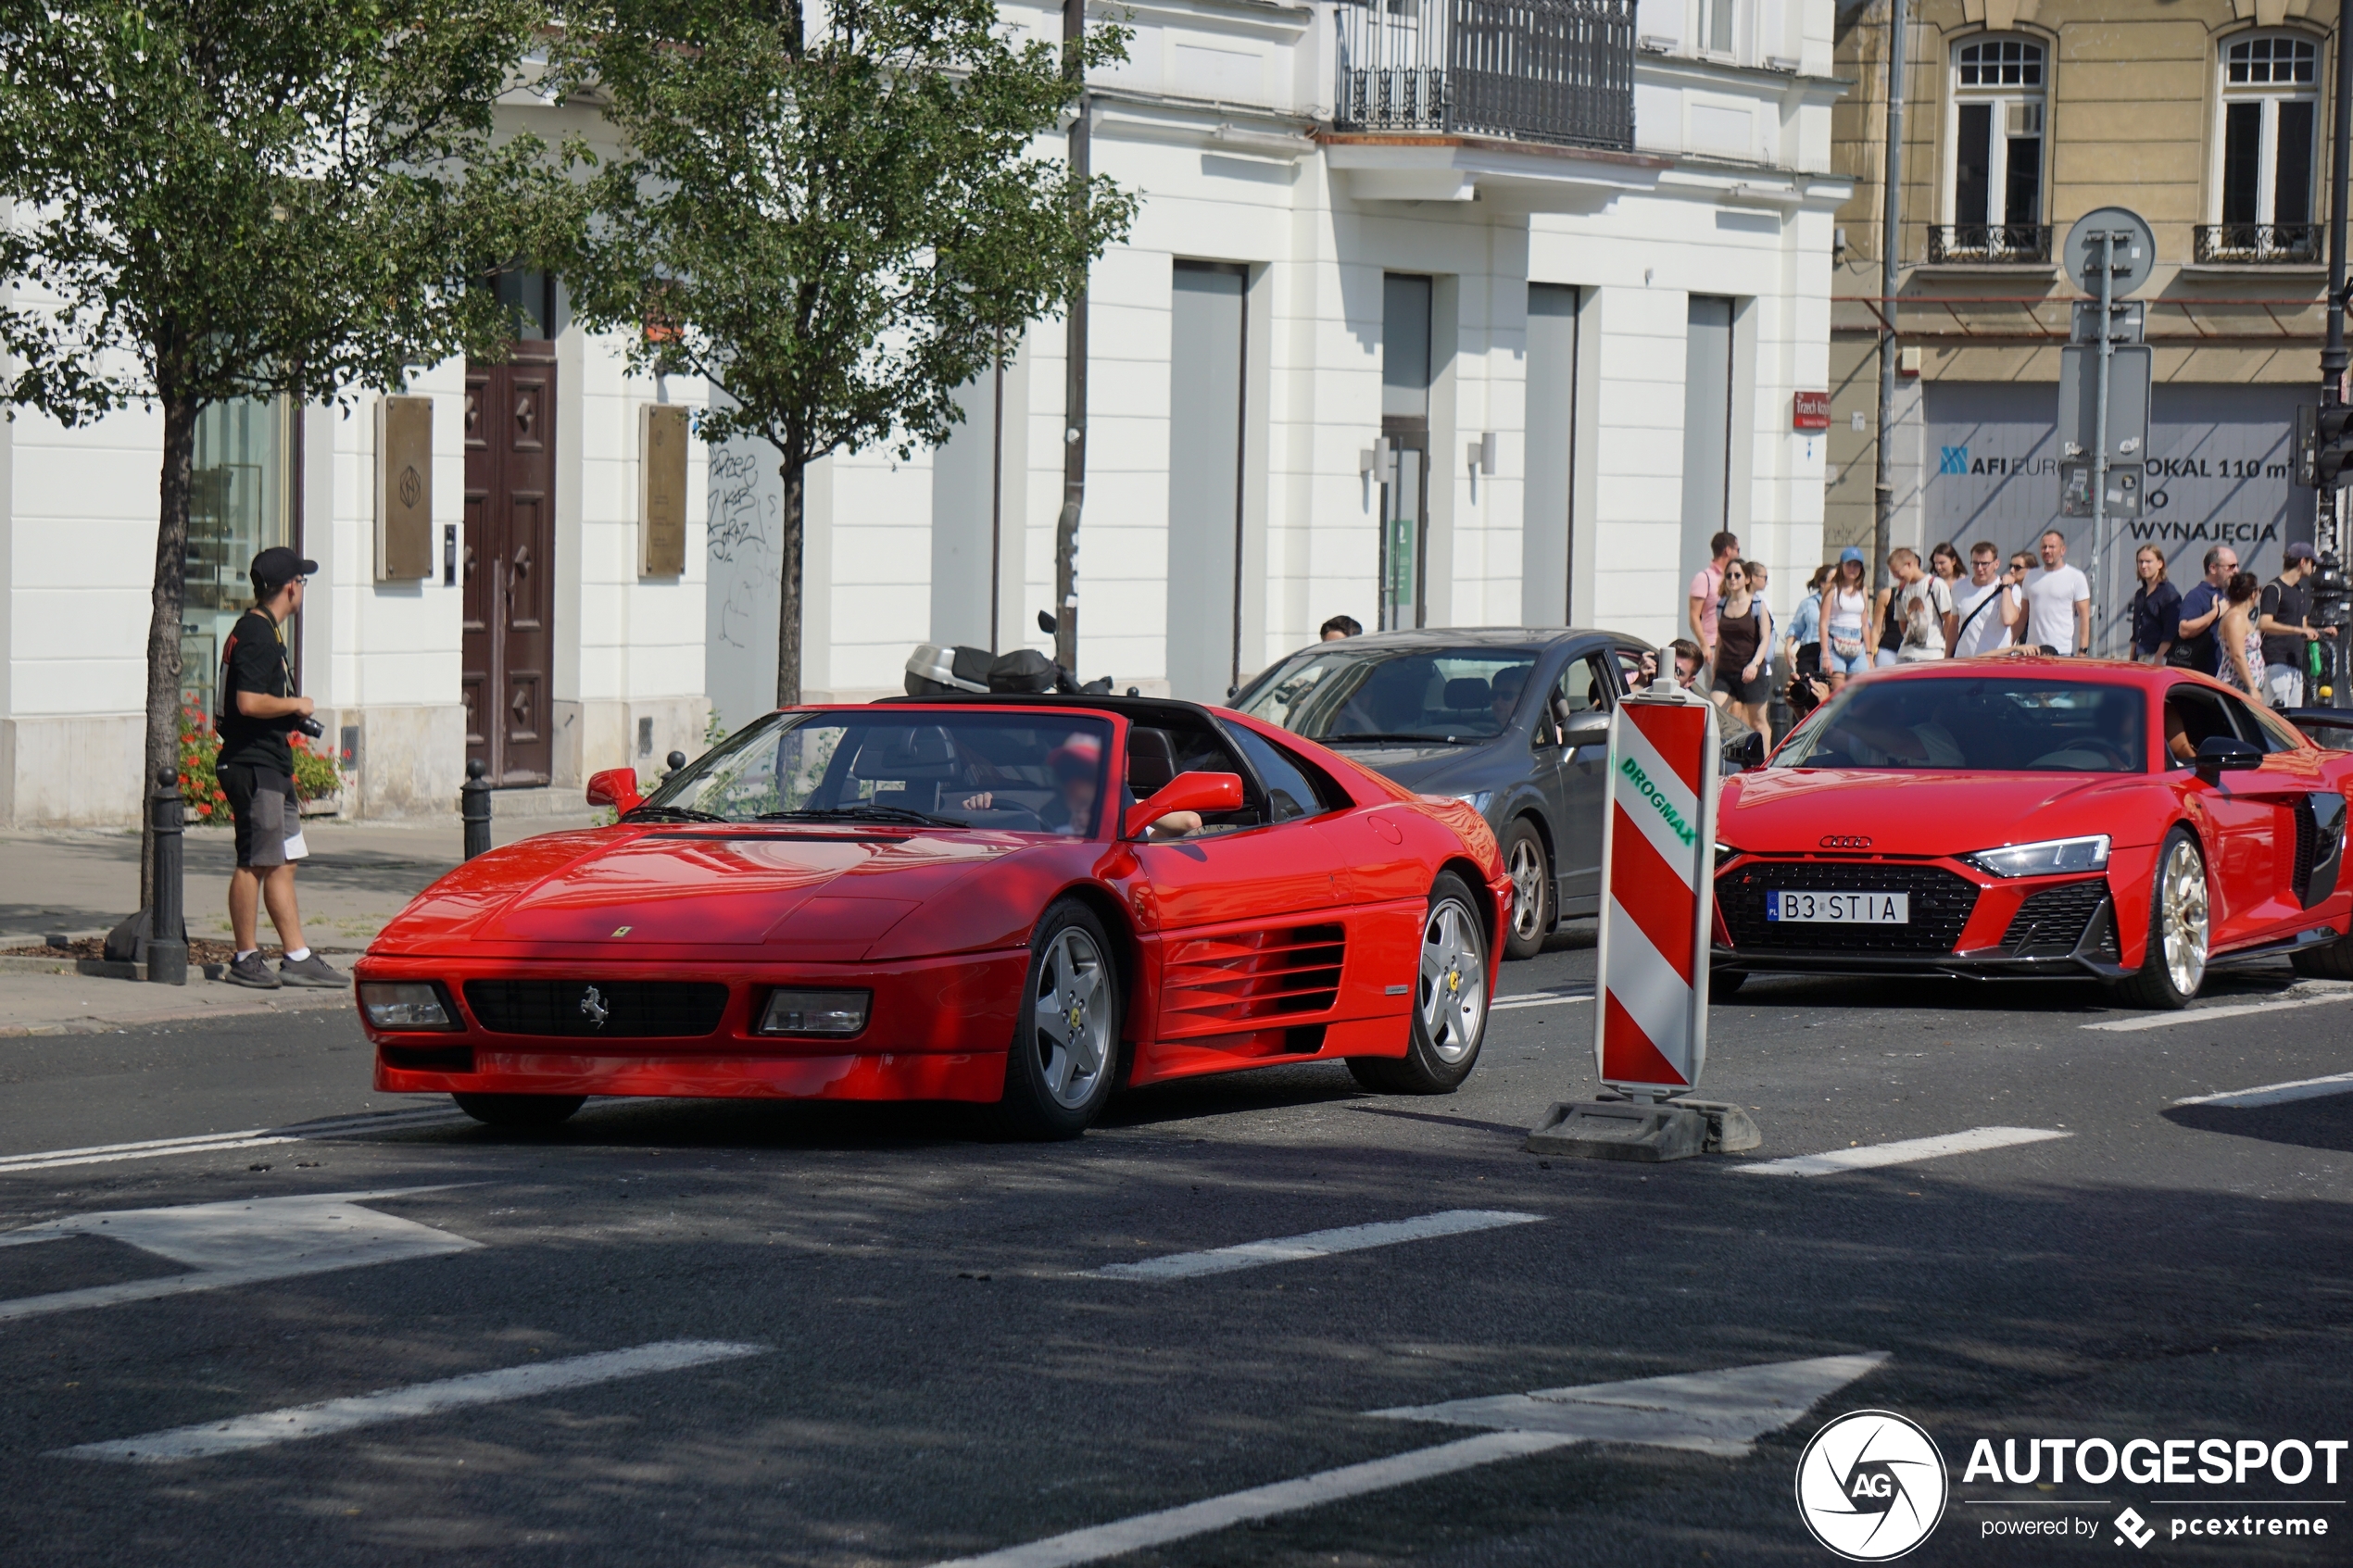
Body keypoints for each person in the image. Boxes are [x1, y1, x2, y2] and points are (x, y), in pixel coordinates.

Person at [216, 547, 345, 990]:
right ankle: (246, 957)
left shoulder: (264, 631)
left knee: (284, 860)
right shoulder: (255, 633)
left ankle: (297, 955)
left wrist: (290, 716)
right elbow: (248, 703)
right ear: (290, 586)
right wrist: (295, 703)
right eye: (302, 582)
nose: (302, 589)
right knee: (254, 860)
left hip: (272, 762)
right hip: (253, 765)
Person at [2259, 542, 2337, 708]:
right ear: (2303, 562)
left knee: (2293, 720)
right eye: (2312, 562)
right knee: (2276, 717)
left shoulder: (2298, 591)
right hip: (2277, 662)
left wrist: (2321, 631)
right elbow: (2265, 623)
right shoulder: (2274, 589)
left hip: (2295, 664)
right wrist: (2298, 630)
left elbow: (2302, 626)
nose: (2313, 567)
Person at [1710, 560, 1773, 747]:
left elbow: (1765, 639)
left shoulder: (1757, 605)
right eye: (1728, 575)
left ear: (1747, 578)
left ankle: (1764, 765)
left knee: (1757, 723)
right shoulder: (1721, 606)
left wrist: (1754, 664)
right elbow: (1720, 641)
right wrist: (1715, 671)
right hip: (1726, 671)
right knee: (1713, 715)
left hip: (1751, 672)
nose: (1732, 579)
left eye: (1737, 575)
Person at [2020, 529, 2092, 655]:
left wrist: (2082, 650)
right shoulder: (2031, 576)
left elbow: (2084, 617)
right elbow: (2022, 617)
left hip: (2062, 651)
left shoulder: (2076, 577)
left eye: (2052, 547)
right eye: (2044, 547)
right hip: (2032, 651)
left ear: (2063, 550)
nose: (2047, 551)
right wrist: (2010, 645)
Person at [2171, 545, 2238, 673]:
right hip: (2202, 677)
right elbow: (2184, 630)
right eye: (2231, 567)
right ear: (2213, 568)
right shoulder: (2197, 595)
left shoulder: (2229, 595)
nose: (2236, 570)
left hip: (2225, 674)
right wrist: (2216, 613)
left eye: (2236, 566)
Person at [1890, 547, 1955, 662]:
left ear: (1909, 564)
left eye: (1897, 571)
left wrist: (1947, 651)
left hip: (1932, 653)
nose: (1895, 576)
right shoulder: (1901, 590)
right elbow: (1902, 622)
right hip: (1905, 653)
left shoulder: (1935, 585)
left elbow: (1948, 620)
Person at [1687, 530, 1740, 670]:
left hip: (1735, 645)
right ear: (1728, 551)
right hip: (1714, 645)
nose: (1739, 554)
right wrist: (1704, 645)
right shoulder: (1704, 578)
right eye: (1737, 550)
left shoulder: (1734, 578)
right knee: (1715, 689)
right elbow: (1694, 615)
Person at [1949, 541, 2012, 658]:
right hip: (1965, 659)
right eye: (1975, 563)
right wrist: (1947, 658)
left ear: (1996, 564)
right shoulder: (1959, 587)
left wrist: (2007, 588)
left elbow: (2008, 619)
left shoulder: (2010, 589)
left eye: (1984, 564)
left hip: (1995, 660)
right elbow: (1953, 625)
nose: (1979, 568)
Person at [1820, 546, 1871, 690]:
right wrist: (1825, 655)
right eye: (1849, 564)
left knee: (1857, 693)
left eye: (1856, 565)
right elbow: (1823, 623)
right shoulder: (1833, 588)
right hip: (1835, 639)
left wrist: (1869, 653)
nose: (1852, 569)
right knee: (1839, 693)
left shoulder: (1863, 590)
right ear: (1841, 565)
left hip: (1857, 641)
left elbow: (1865, 624)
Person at [2128, 546, 2181, 666]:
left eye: (2148, 561)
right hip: (2140, 657)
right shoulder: (2140, 594)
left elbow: (2171, 633)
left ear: (2160, 564)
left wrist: (2158, 657)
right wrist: (2131, 660)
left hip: (2158, 658)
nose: (2143, 566)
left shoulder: (2169, 594)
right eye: (2140, 562)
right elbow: (2136, 633)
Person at [2218, 571, 2265, 696]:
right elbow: (2238, 655)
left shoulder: (2243, 617)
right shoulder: (2235, 618)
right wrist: (2252, 688)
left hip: (2245, 686)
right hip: (2236, 685)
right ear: (2253, 594)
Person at [1784, 563, 1831, 687]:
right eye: (1833, 581)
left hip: (1831, 651)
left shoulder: (1842, 604)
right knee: (1806, 690)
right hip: (1810, 650)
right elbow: (1796, 627)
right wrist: (1788, 647)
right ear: (1822, 583)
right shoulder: (1808, 604)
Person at [1868, 551, 1906, 668]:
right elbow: (1876, 628)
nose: (1896, 575)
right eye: (1893, 572)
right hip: (1888, 649)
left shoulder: (1923, 593)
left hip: (1912, 650)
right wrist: (1870, 655)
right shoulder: (1887, 594)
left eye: (1898, 570)